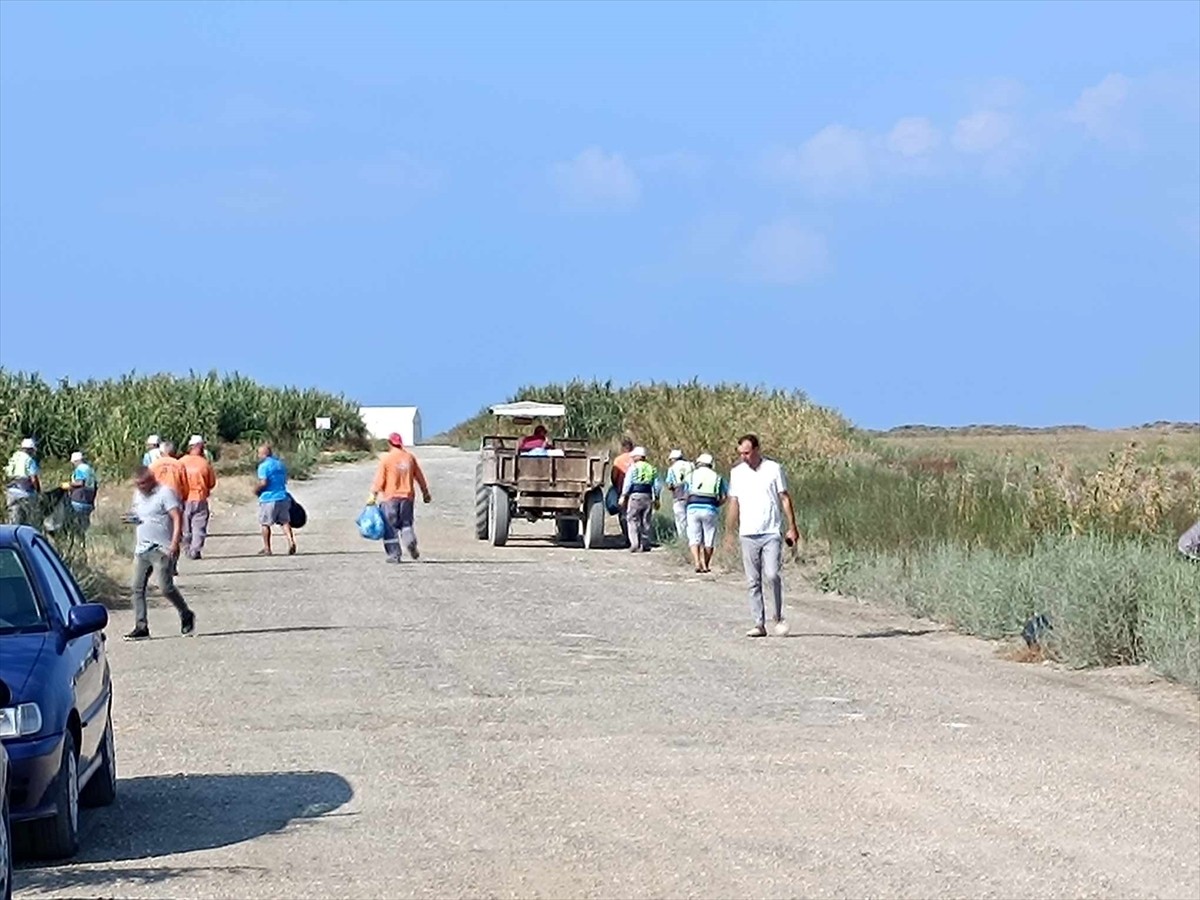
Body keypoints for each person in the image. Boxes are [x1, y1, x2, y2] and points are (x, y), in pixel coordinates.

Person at [725, 434, 800, 638]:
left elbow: (784, 498)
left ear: (757, 450)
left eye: (747, 453)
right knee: (752, 581)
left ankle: (777, 615)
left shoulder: (773, 469)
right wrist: (729, 532)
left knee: (772, 574)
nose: (744, 457)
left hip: (771, 531)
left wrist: (792, 526)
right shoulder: (737, 473)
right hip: (747, 533)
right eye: (741, 453)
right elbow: (734, 503)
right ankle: (759, 623)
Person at [124, 465, 196, 640]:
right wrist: (131, 518)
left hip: (161, 548)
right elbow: (140, 515)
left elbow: (177, 517)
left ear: (151, 480)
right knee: (137, 587)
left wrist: (175, 543)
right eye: (137, 484)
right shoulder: (138, 495)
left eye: (143, 483)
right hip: (142, 548)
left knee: (165, 587)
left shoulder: (165, 493)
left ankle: (185, 613)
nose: (140, 487)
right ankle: (141, 627)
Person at [369, 432, 432, 563]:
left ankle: (394, 555)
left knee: (390, 528)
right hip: (407, 498)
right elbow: (419, 477)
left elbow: (380, 479)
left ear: (390, 443)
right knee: (406, 524)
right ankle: (410, 542)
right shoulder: (410, 458)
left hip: (390, 498)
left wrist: (373, 495)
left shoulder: (386, 459)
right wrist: (425, 493)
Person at [685, 452, 727, 573]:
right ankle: (706, 564)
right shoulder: (717, 477)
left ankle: (697, 562)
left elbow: (686, 492)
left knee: (694, 536)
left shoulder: (691, 475)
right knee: (709, 537)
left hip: (693, 508)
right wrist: (716, 504)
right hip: (710, 508)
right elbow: (724, 496)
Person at [179, 435, 218, 559]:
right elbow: (211, 483)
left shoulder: (181, 462)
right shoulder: (204, 463)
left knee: (185, 527)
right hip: (200, 497)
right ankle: (195, 550)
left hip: (184, 498)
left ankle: (187, 549)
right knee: (199, 527)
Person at [617, 446, 661, 552]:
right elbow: (657, 485)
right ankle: (645, 543)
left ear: (637, 457)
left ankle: (635, 544)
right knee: (645, 520)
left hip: (635, 495)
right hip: (648, 496)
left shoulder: (633, 468)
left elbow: (628, 483)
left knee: (632, 519)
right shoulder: (651, 468)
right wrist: (657, 498)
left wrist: (623, 496)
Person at [256, 443, 295, 556]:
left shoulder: (263, 466)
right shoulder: (280, 464)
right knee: (285, 522)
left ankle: (267, 548)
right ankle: (291, 541)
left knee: (265, 523)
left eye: (259, 453)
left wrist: (256, 490)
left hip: (269, 497)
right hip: (282, 496)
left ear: (264, 454)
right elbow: (285, 479)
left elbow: (264, 482)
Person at [4, 437, 41, 525]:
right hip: (25, 492)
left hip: (11, 490)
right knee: (27, 517)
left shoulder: (13, 457)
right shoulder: (30, 460)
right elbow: (33, 478)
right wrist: (38, 490)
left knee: (12, 517)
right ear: (31, 449)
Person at [664, 449, 695, 541]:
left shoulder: (672, 469)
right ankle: (693, 538)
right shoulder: (691, 465)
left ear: (673, 459)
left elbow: (669, 484)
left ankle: (683, 539)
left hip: (679, 495)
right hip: (692, 495)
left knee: (680, 519)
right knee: (691, 518)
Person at [610, 437, 636, 547]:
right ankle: (637, 539)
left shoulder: (618, 460)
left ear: (623, 447)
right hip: (638, 490)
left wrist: (616, 486)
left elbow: (614, 476)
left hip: (622, 490)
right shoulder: (637, 459)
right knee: (636, 515)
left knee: (624, 515)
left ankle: (627, 538)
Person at [66, 450, 99, 532]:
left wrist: (69, 485)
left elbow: (80, 483)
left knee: (74, 522)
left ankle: (77, 539)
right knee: (85, 523)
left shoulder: (80, 469)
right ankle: (83, 541)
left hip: (79, 499)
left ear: (75, 461)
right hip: (89, 501)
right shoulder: (91, 470)